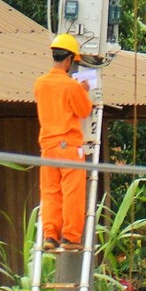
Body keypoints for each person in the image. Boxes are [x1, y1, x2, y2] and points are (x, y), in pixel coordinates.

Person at [35, 33, 95, 251]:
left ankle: (50, 236)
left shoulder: (40, 84)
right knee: (72, 191)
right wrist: (84, 92)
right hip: (68, 146)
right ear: (69, 60)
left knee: (50, 191)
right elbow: (84, 110)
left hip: (48, 146)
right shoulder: (72, 86)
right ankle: (70, 237)